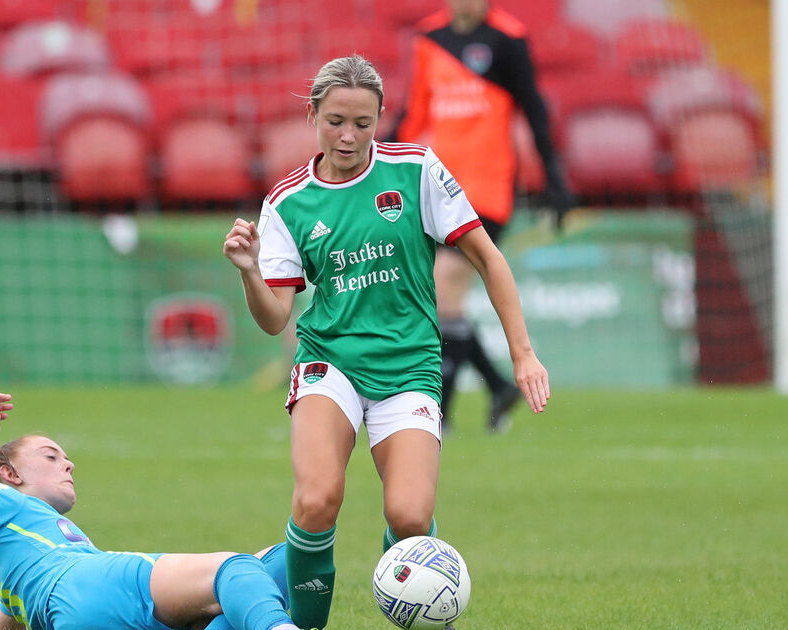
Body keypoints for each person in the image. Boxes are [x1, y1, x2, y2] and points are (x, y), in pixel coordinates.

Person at [222, 55, 549, 630]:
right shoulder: (288, 202)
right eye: (336, 122)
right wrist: (250, 271)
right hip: (330, 364)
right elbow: (275, 319)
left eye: (363, 123)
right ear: (313, 116)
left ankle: (409, 589)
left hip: (409, 366)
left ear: (380, 120)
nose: (349, 136)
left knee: (410, 518)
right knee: (317, 500)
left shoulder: (416, 171)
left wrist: (522, 354)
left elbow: (489, 259)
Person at [0, 392, 300, 630]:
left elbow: (6, 619)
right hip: (94, 583)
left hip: (77, 611)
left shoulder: (25, 556)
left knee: (284, 561)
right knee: (233, 569)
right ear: (11, 475)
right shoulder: (4, 500)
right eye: (50, 456)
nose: (68, 464)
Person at [388, 0, 574, 433]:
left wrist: (554, 177)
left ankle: (440, 413)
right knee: (440, 299)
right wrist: (380, 161)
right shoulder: (429, 38)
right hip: (436, 188)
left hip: (488, 188)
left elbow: (533, 108)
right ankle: (496, 386)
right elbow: (415, 113)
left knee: (442, 289)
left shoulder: (509, 38)